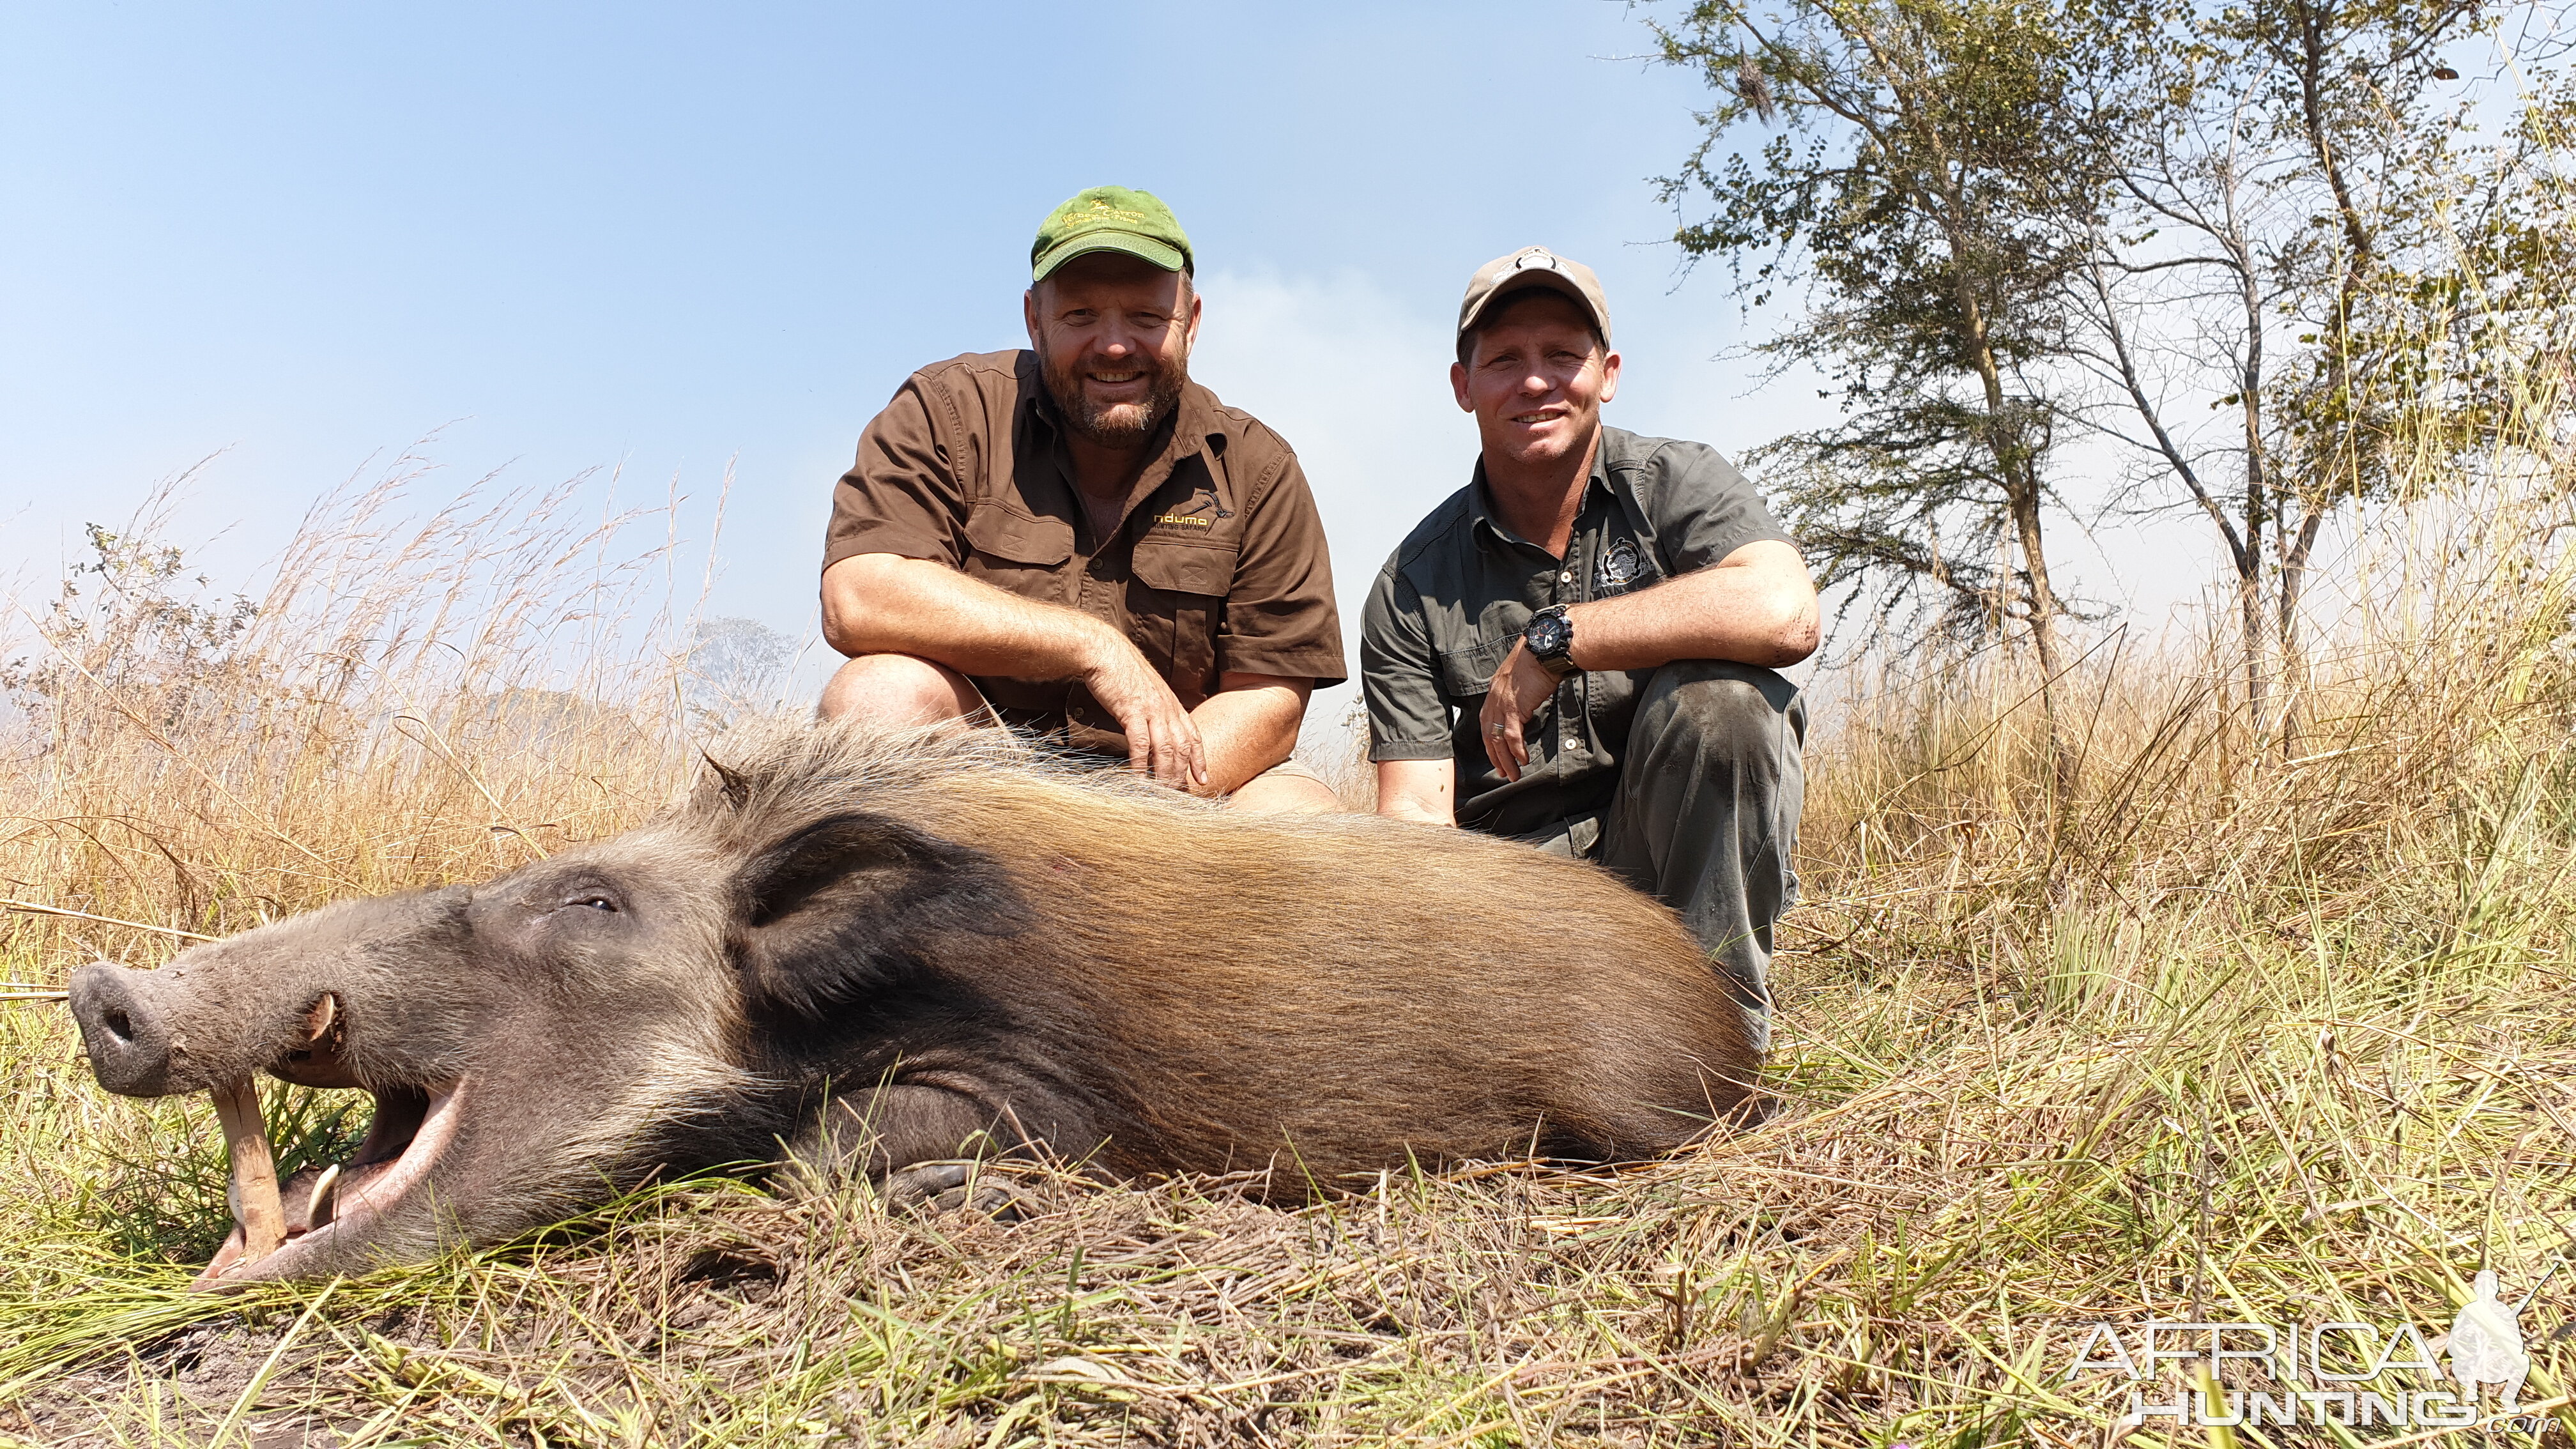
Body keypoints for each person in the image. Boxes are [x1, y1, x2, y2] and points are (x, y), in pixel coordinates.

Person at [1361, 247, 1819, 1045]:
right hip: (1520, 913)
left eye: (1562, 356)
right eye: (1503, 359)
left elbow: (1786, 613)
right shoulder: (1408, 584)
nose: (1535, 381)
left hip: (1669, 880)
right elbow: (1414, 825)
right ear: (1463, 387)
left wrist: (1558, 642)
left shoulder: (1680, 482)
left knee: (1731, 707)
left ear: (1606, 373)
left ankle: (1722, 1037)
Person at [818, 187, 1344, 811]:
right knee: (878, 696)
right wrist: (1094, 649)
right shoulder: (946, 412)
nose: (1114, 346)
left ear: (1192, 322)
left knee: (1299, 815)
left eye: (1147, 319)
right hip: (986, 781)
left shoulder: (1258, 469)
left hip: (1178, 800)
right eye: (1081, 316)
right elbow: (858, 596)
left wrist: (1125, 819)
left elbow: (1271, 698)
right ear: (1034, 321)